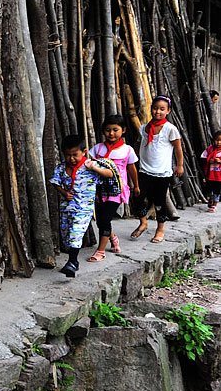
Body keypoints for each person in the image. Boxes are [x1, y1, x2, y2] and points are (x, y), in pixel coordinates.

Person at [49, 135, 115, 278]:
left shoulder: (90, 166)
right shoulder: (61, 168)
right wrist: (64, 193)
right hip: (67, 207)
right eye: (68, 155)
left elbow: (109, 174)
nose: (71, 159)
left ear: (84, 152)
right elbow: (55, 181)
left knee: (76, 233)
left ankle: (72, 263)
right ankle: (73, 262)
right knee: (66, 234)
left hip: (83, 208)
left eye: (75, 155)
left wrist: (95, 168)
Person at [130, 95, 184, 243]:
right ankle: (143, 222)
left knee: (159, 202)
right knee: (138, 197)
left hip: (162, 173)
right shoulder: (144, 128)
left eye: (162, 109)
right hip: (144, 170)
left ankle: (160, 229)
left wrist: (179, 165)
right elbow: (139, 146)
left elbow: (178, 149)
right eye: (155, 108)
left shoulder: (170, 129)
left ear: (168, 111)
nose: (157, 111)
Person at [87, 115, 139, 262]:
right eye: (108, 130)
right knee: (100, 221)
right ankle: (113, 237)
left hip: (116, 190)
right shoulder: (98, 149)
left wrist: (136, 185)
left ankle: (101, 250)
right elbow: (87, 163)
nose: (111, 133)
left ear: (123, 130)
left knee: (105, 218)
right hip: (99, 190)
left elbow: (132, 169)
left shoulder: (127, 150)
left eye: (115, 130)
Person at [201, 129, 221, 213]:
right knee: (208, 189)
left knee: (217, 190)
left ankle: (214, 205)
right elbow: (203, 157)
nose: (219, 142)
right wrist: (209, 160)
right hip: (210, 174)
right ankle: (210, 199)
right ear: (213, 140)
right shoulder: (209, 149)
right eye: (217, 140)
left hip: (219, 176)